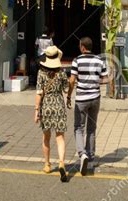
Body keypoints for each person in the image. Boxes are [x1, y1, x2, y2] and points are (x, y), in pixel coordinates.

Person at [67, 37, 108, 175]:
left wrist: (68, 95)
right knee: (91, 128)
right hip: (95, 98)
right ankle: (90, 158)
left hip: (81, 100)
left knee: (79, 128)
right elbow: (105, 79)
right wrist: (94, 81)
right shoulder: (99, 60)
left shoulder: (77, 60)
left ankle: (82, 154)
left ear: (83, 47)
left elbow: (72, 80)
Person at [35, 46, 69, 182]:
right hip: (59, 105)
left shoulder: (41, 73)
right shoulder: (61, 73)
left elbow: (38, 93)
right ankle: (61, 162)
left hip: (46, 106)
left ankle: (47, 164)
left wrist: (36, 110)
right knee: (60, 137)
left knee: (46, 137)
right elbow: (66, 89)